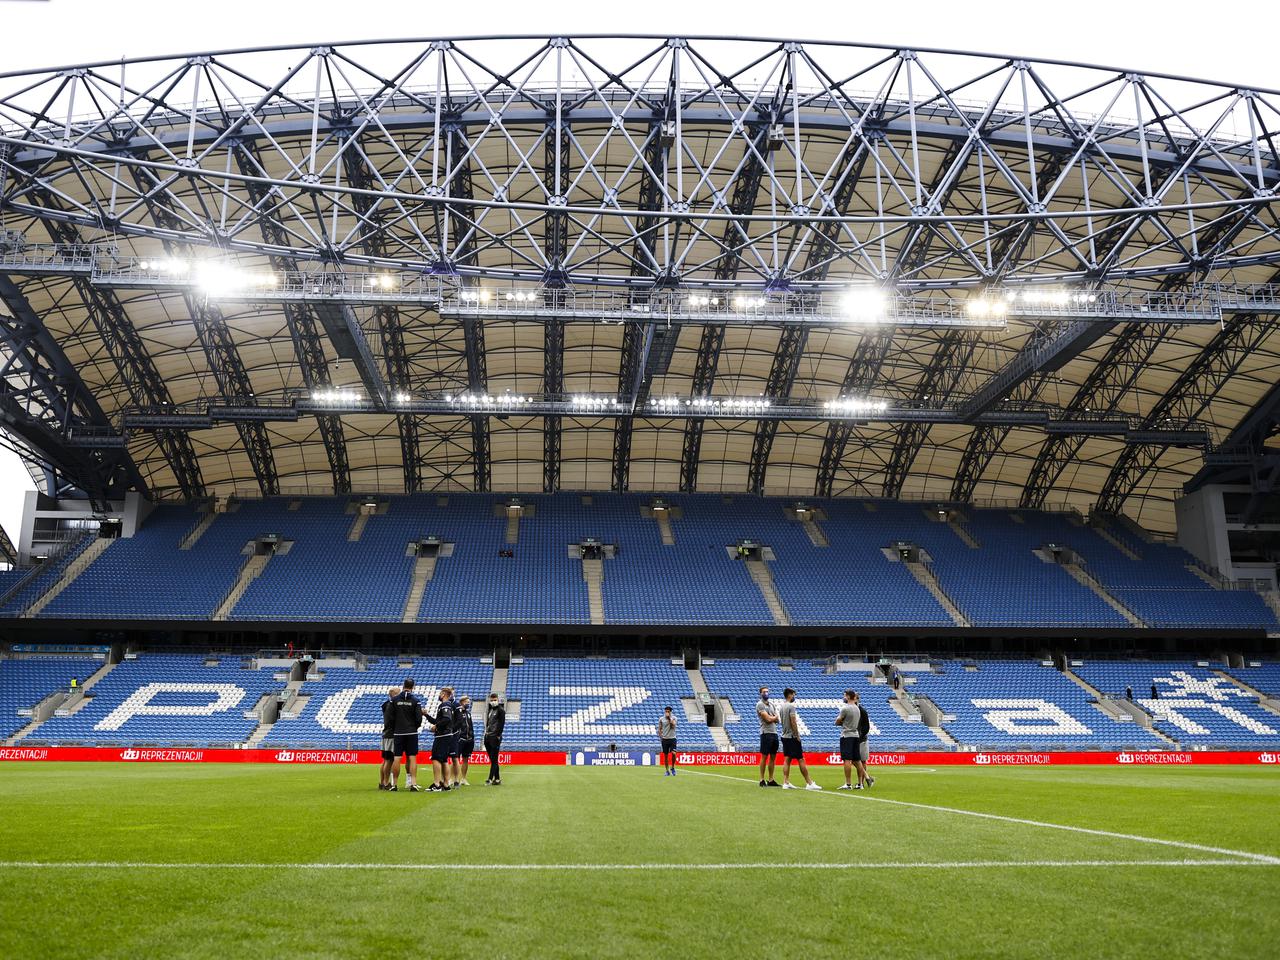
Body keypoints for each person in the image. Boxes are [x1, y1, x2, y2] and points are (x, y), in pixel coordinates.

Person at [778, 687, 821, 791]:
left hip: (784, 736)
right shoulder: (791, 707)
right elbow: (793, 721)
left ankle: (785, 782)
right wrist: (797, 735)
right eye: (793, 694)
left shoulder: (782, 707)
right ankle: (809, 783)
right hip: (792, 737)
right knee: (801, 759)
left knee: (787, 759)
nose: (794, 696)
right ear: (789, 695)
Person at [390, 679, 425, 792]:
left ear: (403, 685)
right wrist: (414, 727)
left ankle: (394, 784)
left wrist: (396, 727)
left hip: (398, 732)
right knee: (412, 757)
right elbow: (419, 718)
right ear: (413, 687)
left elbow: (390, 717)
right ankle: (413, 783)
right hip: (411, 732)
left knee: (397, 758)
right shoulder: (416, 700)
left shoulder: (394, 700)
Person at [426, 685, 457, 792]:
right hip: (447, 735)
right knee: (444, 760)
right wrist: (426, 715)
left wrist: (437, 727)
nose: (439, 695)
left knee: (436, 758)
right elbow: (438, 721)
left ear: (443, 694)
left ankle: (437, 784)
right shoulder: (448, 705)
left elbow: (446, 720)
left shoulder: (445, 705)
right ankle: (446, 784)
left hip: (442, 735)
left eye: (440, 693)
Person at [835, 689, 862, 791]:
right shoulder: (857, 708)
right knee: (858, 760)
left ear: (848, 696)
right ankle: (860, 783)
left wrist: (841, 722)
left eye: (844, 696)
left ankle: (848, 783)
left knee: (847, 760)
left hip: (847, 735)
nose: (844, 697)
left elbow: (837, 721)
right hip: (855, 735)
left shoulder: (845, 709)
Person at [756, 686, 781, 788]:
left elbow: (777, 719)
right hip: (766, 733)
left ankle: (771, 779)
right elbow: (767, 719)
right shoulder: (760, 704)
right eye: (764, 692)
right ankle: (762, 779)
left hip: (774, 733)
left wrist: (773, 718)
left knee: (773, 757)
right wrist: (773, 717)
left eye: (767, 691)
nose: (766, 693)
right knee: (764, 756)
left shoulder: (771, 704)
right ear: (761, 693)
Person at [379, 685, 401, 791]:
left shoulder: (386, 704)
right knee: (389, 760)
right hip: (391, 734)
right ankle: (386, 783)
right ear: (394, 695)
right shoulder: (392, 705)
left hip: (386, 734)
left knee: (385, 760)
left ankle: (382, 782)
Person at [484, 692, 506, 785]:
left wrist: (498, 735)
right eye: (492, 700)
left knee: (494, 759)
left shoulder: (501, 710)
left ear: (498, 699)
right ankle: (497, 779)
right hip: (488, 736)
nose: (493, 701)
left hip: (495, 737)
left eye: (495, 700)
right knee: (493, 759)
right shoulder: (490, 710)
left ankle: (489, 779)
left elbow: (501, 724)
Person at [453, 695, 475, 786]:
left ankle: (463, 778)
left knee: (466, 759)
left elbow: (470, 726)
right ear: (462, 702)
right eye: (467, 702)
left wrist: (472, 736)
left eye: (469, 702)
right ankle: (452, 778)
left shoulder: (468, 713)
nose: (468, 704)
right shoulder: (457, 712)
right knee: (455, 759)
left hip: (469, 739)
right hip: (460, 739)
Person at [657, 706, 678, 776]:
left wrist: (669, 718)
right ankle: (667, 771)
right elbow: (659, 728)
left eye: (668, 711)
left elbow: (673, 725)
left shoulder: (674, 718)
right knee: (665, 756)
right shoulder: (661, 719)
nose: (667, 712)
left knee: (673, 753)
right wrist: (661, 736)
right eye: (666, 711)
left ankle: (673, 767)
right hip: (665, 739)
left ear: (671, 712)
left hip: (672, 738)